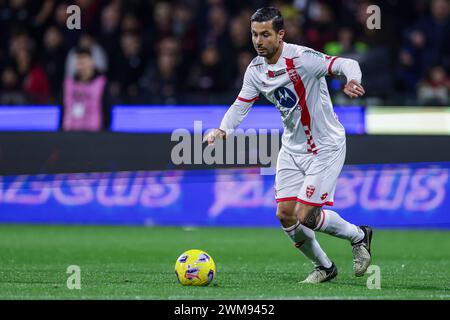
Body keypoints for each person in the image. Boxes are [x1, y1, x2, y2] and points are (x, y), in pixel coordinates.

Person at [203, 7, 372, 284]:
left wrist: (353, 80)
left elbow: (344, 63)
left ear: (280, 35)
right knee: (284, 214)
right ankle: (325, 267)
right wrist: (222, 129)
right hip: (292, 149)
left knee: (305, 215)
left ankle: (359, 235)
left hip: (325, 147)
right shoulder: (256, 69)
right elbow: (241, 104)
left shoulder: (302, 58)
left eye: (265, 34)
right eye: (255, 34)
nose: (258, 41)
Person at [62, 47, 109, 131]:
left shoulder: (101, 83)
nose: (81, 63)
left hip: (94, 133)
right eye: (79, 60)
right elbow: (62, 108)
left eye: (84, 59)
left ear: (92, 62)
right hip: (70, 133)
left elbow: (107, 108)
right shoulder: (68, 84)